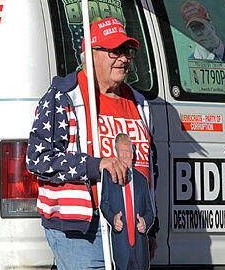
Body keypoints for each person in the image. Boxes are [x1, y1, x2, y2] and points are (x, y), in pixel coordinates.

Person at [26, 17, 157, 270]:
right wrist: (96, 165)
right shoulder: (63, 97)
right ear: (91, 54)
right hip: (84, 230)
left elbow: (151, 168)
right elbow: (37, 159)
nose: (124, 59)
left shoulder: (140, 103)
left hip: (131, 228)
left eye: (127, 51)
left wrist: (152, 229)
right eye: (114, 51)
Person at [100, 133, 154, 270]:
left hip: (140, 250)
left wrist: (145, 222)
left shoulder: (142, 180)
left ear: (132, 153)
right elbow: (104, 204)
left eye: (128, 151)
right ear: (116, 153)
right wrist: (113, 219)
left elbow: (149, 211)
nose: (125, 155)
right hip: (121, 247)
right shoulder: (108, 175)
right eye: (122, 152)